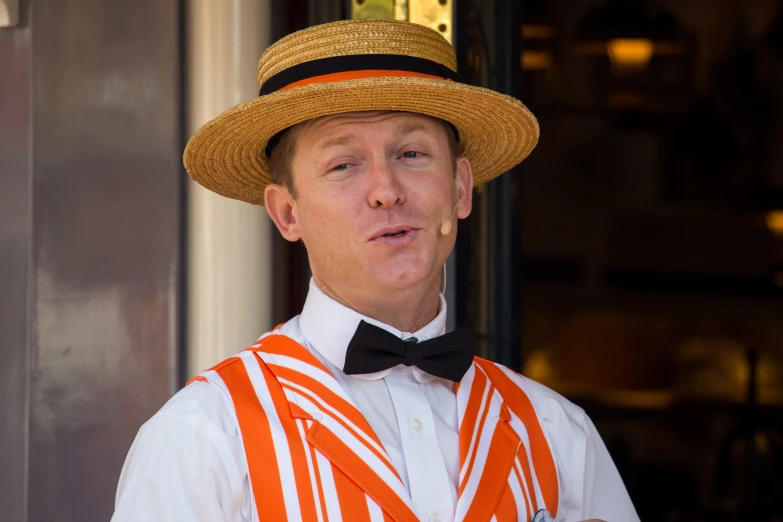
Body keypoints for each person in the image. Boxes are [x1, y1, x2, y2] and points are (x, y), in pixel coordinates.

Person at [111, 19, 639, 522]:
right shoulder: (205, 436)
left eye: (411, 153)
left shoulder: (555, 434)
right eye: (343, 165)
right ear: (287, 212)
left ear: (459, 189)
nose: (387, 190)